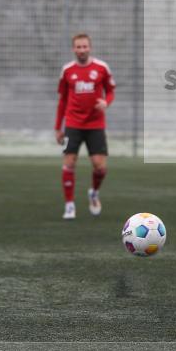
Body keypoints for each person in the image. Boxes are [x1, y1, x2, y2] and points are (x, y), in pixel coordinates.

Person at [55, 34, 115, 220]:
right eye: (78, 47)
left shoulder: (101, 68)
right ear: (73, 49)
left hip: (96, 124)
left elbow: (110, 91)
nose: (81, 50)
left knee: (100, 167)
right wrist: (58, 127)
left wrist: (106, 102)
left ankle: (94, 193)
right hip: (73, 123)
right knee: (69, 163)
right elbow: (62, 100)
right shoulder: (67, 70)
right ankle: (69, 205)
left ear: (90, 47)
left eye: (84, 46)